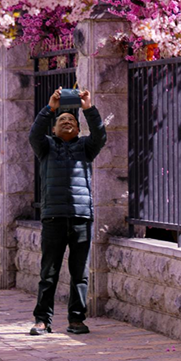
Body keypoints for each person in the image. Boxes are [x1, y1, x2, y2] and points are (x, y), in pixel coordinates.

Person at [28, 86, 106, 336]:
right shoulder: (46, 148)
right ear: (53, 128)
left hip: (81, 218)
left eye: (71, 119)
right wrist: (51, 107)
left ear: (79, 128)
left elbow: (100, 135)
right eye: (62, 119)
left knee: (80, 274)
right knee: (48, 272)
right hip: (53, 217)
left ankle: (76, 319)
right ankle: (42, 320)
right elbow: (34, 134)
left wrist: (88, 108)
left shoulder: (86, 147)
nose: (67, 122)